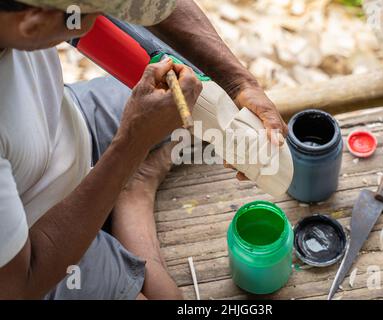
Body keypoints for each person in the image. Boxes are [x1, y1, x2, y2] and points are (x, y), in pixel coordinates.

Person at [0, 0, 287, 299]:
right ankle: (129, 185)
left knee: (201, 110)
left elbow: (154, 6)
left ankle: (135, 184)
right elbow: (19, 284)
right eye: (90, 14)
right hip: (37, 244)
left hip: (64, 120)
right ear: (33, 24)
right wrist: (133, 142)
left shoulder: (26, 18)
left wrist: (236, 81)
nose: (106, 18)